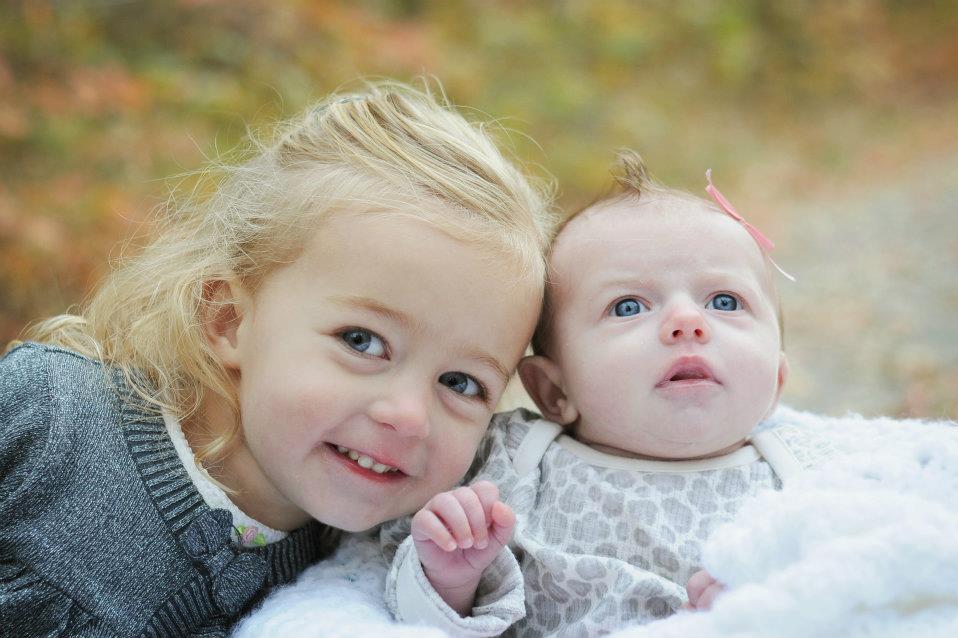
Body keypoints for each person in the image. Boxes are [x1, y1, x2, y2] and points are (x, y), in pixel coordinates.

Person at [0, 81, 555, 636]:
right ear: (228, 320)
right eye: (361, 341)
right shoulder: (48, 414)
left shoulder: (349, 574)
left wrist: (450, 586)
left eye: (460, 382)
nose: (409, 416)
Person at [381, 150, 836, 636]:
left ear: (776, 381)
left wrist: (774, 614)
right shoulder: (513, 464)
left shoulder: (811, 477)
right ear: (553, 391)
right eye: (628, 307)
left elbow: (866, 588)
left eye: (724, 301)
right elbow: (398, 614)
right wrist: (449, 579)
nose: (688, 322)